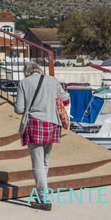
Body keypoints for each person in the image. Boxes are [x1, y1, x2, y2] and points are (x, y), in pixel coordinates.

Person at [15, 61, 69, 211]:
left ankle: (44, 198)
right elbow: (65, 100)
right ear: (38, 69)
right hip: (52, 122)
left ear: (26, 71)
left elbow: (19, 109)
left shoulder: (24, 83)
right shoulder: (53, 80)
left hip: (35, 123)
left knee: (37, 162)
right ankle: (41, 194)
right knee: (45, 161)